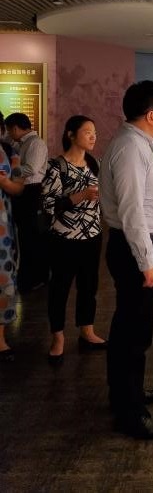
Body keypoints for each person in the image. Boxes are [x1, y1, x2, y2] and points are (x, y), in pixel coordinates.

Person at [99, 80, 153, 440]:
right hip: (134, 248)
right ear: (151, 114)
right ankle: (131, 413)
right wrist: (147, 261)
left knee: (128, 326)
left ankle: (127, 394)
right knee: (134, 333)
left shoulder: (137, 143)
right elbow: (132, 212)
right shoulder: (130, 148)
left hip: (135, 245)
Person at [42, 116, 106, 365]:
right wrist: (81, 196)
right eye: (87, 131)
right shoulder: (56, 166)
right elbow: (49, 205)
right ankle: (58, 338)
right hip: (64, 238)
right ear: (71, 134)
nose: (93, 136)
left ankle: (87, 330)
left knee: (89, 286)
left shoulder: (95, 163)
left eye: (94, 132)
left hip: (92, 235)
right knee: (60, 288)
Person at [4, 112, 49, 293]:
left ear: (15, 128)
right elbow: (7, 140)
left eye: (9, 130)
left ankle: (37, 278)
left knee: (32, 236)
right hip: (25, 192)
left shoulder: (36, 143)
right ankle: (28, 277)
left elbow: (31, 168)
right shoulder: (21, 142)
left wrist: (10, 172)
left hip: (32, 192)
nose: (8, 134)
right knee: (25, 236)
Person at [0, 140, 24, 361]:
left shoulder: (10, 151)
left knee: (3, 282)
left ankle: (0, 340)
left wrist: (5, 183)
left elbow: (19, 186)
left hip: (2, 234)